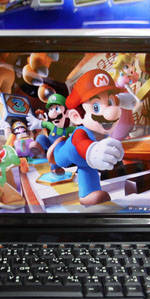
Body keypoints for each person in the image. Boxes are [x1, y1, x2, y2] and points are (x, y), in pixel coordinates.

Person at [47, 69, 136, 206]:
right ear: (76, 116)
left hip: (87, 159)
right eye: (96, 107)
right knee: (65, 160)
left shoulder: (101, 130)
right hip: (72, 154)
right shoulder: (80, 133)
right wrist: (94, 151)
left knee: (88, 165)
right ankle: (86, 193)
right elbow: (83, 146)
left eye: (111, 102)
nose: (111, 112)